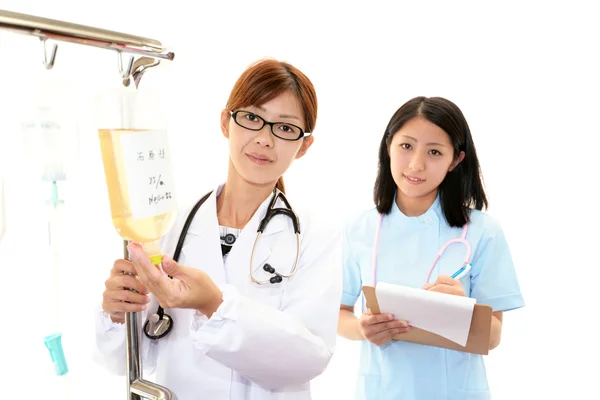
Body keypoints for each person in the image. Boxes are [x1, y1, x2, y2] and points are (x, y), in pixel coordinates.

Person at [95, 58, 342, 400]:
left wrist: (215, 305)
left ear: (304, 145)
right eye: (253, 118)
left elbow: (309, 358)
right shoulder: (168, 223)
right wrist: (118, 311)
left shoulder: (315, 236)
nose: (265, 139)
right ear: (226, 122)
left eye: (285, 128)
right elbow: (124, 360)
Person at [338, 96, 525, 400]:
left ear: (455, 160)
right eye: (406, 146)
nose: (416, 164)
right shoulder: (359, 229)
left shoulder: (482, 232)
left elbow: (492, 337)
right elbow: (339, 313)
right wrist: (362, 329)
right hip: (381, 390)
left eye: (434, 152)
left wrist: (465, 308)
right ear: (388, 147)